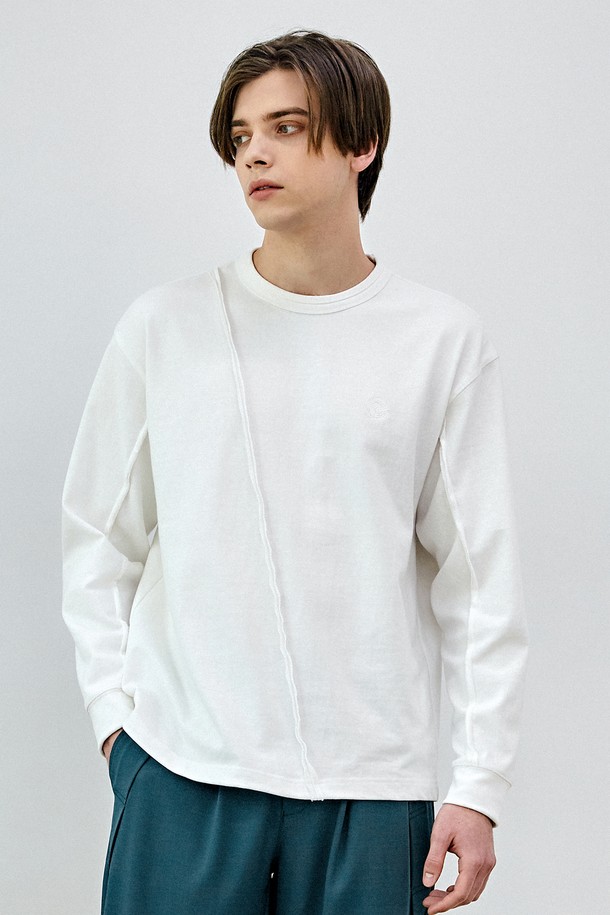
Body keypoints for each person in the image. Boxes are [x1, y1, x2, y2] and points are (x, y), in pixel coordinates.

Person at [61, 28, 528, 915]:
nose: (254, 154)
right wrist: (117, 727)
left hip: (372, 789)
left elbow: (480, 581)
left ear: (362, 143)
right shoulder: (166, 328)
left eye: (286, 126)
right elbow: (97, 538)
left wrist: (479, 784)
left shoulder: (440, 341)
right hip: (184, 772)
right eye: (241, 136)